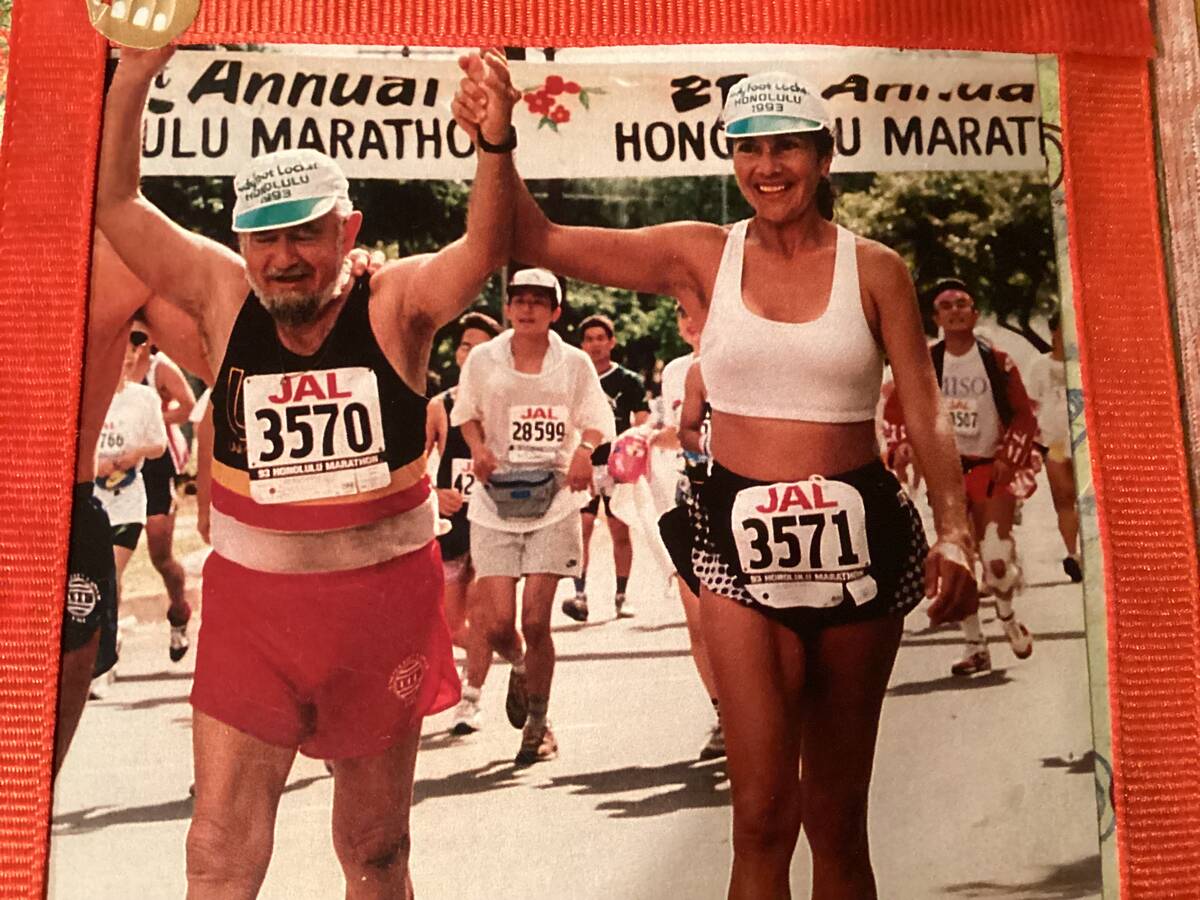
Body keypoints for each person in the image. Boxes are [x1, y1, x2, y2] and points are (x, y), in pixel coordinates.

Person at [456, 65, 977, 899]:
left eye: (787, 148)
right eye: (749, 150)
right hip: (738, 541)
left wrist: (954, 529)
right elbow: (534, 237)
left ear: (824, 155)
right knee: (762, 814)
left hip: (861, 540)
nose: (768, 167)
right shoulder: (700, 253)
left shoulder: (875, 270)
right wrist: (497, 137)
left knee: (838, 820)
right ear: (731, 157)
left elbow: (925, 409)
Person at [96, 44, 517, 898]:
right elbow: (116, 203)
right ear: (239, 240)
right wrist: (137, 71)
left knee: (375, 851)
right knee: (218, 850)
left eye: (305, 235)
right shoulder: (223, 295)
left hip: (379, 612)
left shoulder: (395, 304)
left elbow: (483, 245)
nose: (283, 258)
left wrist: (495, 145)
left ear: (347, 231)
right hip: (256, 615)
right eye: (265, 237)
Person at [451, 267, 615, 765]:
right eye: (518, 300)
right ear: (506, 308)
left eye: (538, 302)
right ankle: (520, 666)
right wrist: (478, 448)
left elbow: (597, 420)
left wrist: (585, 451)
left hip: (555, 499)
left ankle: (539, 726)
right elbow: (467, 414)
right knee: (498, 622)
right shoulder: (483, 359)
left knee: (535, 618)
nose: (527, 309)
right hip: (494, 503)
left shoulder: (574, 364)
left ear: (555, 311)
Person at [884, 279, 1039, 677]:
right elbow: (898, 410)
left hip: (990, 468)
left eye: (962, 303)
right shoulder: (926, 364)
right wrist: (902, 447)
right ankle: (975, 646)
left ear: (974, 313)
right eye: (946, 306)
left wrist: (1010, 454)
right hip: (945, 474)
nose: (954, 310)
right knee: (961, 562)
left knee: (996, 556)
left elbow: (1023, 414)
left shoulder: (997, 361)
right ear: (936, 318)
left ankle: (1006, 615)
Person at [425, 310, 502, 734]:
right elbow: (416, 464)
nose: (469, 353)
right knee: (455, 624)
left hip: (496, 522)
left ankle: (471, 698)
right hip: (454, 525)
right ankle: (522, 660)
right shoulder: (442, 405)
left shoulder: (506, 401)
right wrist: (434, 494)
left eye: (480, 347)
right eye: (464, 346)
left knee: (488, 614)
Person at [655, 305, 724, 760]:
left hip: (740, 495)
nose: (690, 320)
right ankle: (723, 715)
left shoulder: (736, 360)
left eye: (698, 310)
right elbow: (676, 433)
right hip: (689, 497)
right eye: (681, 313)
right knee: (697, 616)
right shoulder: (676, 371)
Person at [563, 313, 650, 622]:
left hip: (615, 466)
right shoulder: (574, 378)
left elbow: (641, 422)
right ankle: (580, 594)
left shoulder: (627, 380)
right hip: (585, 463)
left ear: (611, 342)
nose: (595, 344)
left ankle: (621, 595)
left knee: (619, 531)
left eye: (601, 338)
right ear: (582, 344)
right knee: (581, 529)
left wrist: (629, 453)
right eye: (589, 339)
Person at [94, 324, 168, 586]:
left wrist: (137, 452)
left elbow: (159, 445)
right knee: (93, 579)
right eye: (123, 346)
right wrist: (95, 465)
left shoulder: (145, 398)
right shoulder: (88, 396)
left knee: (111, 575)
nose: (129, 353)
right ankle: (106, 626)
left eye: (135, 347)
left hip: (128, 503)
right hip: (91, 503)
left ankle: (110, 628)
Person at [139, 337, 198, 661]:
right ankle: (106, 649)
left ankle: (179, 611)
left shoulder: (158, 367)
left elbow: (188, 407)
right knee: (109, 558)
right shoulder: (105, 359)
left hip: (157, 465)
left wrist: (150, 420)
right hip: (117, 467)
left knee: (160, 557)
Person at [1025, 312, 1082, 582]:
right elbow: (1030, 407)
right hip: (1056, 444)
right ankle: (1073, 555)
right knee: (1064, 500)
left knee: (1090, 501)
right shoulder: (1040, 366)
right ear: (1053, 332)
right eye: (1063, 328)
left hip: (1085, 443)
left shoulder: (1086, 364)